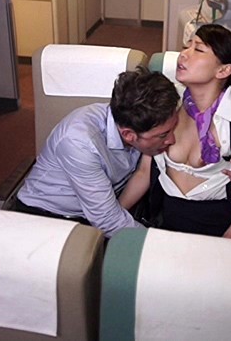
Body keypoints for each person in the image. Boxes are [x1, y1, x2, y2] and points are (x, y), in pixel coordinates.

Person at [120, 24, 231, 239]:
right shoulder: (168, 103)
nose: (184, 54)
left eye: (198, 49)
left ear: (223, 70)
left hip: (219, 222)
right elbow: (144, 173)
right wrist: (111, 218)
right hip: (164, 218)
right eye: (187, 46)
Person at [14, 67, 184, 237]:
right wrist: (158, 243)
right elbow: (107, 221)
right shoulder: (79, 142)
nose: (171, 140)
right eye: (163, 135)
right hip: (51, 216)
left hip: (104, 206)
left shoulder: (136, 119)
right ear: (129, 135)